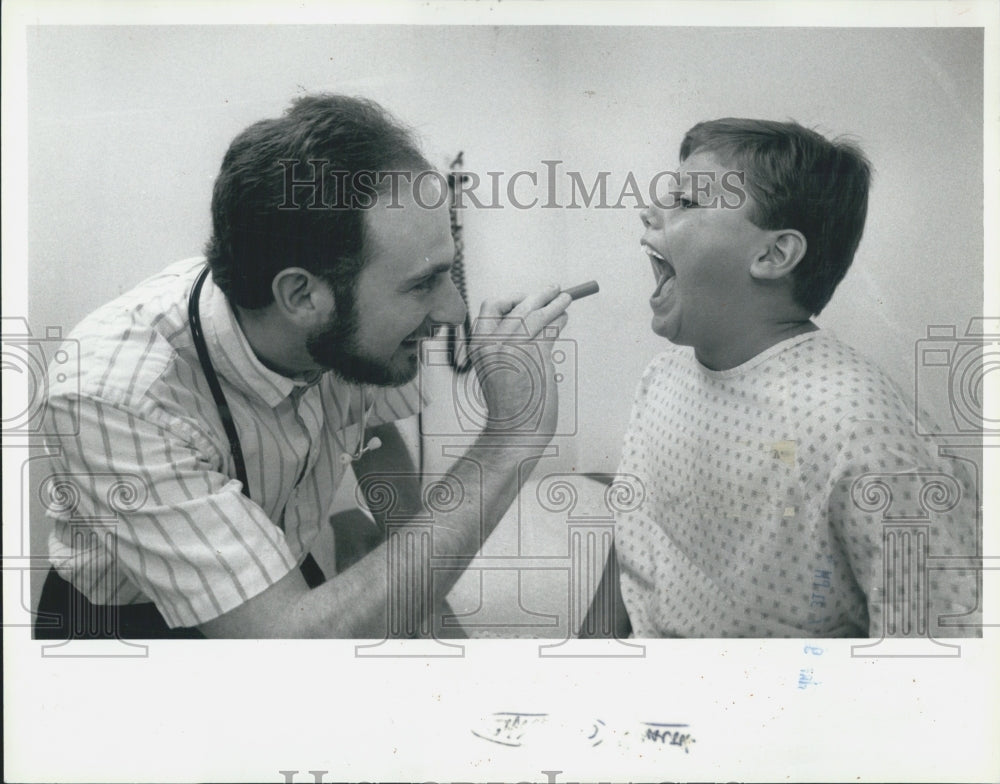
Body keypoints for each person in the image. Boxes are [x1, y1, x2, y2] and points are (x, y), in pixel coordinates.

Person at [35, 93, 571, 639]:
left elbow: (378, 434)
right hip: (125, 628)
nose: (455, 311)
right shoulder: (111, 393)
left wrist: (432, 611)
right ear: (301, 296)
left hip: (282, 581)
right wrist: (509, 439)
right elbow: (287, 645)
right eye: (422, 283)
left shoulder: (344, 330)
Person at [583, 118, 980, 638]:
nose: (649, 210)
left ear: (773, 255)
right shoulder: (662, 378)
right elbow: (636, 536)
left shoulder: (863, 432)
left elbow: (930, 658)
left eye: (685, 200)